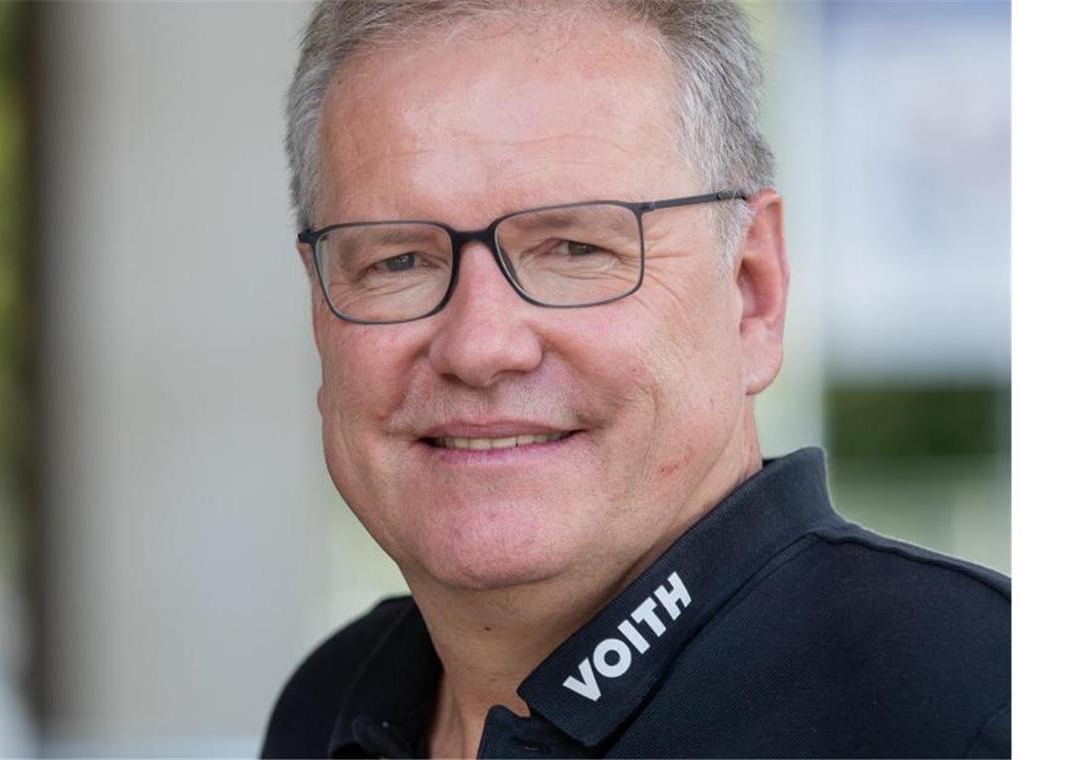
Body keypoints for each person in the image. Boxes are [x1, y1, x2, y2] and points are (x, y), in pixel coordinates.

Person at [262, 1, 1010, 757]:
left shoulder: (976, 703)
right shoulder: (332, 703)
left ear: (752, 290)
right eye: (397, 261)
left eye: (575, 248)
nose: (480, 345)